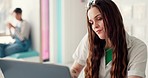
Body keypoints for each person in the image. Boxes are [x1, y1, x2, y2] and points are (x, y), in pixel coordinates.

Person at [70, 0, 147, 78]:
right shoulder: (89, 39)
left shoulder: (138, 47)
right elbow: (75, 69)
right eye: (91, 22)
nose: (95, 26)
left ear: (113, 18)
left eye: (99, 18)